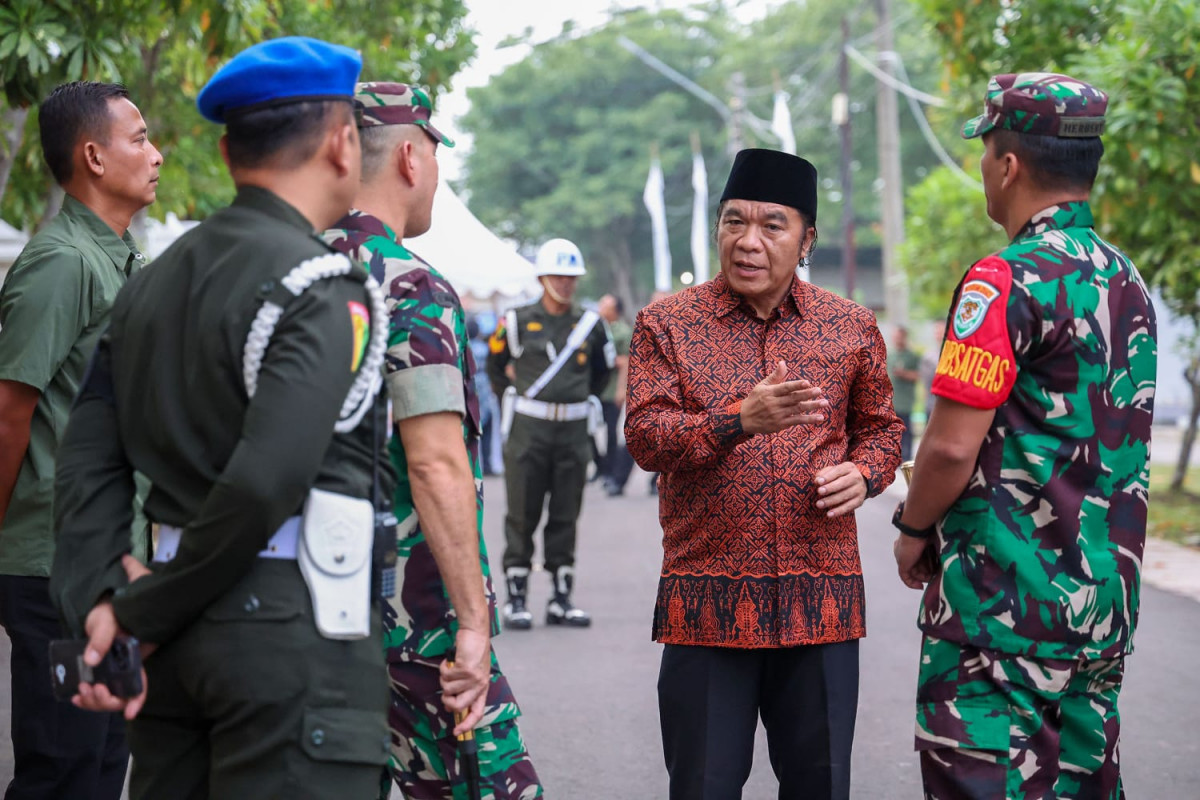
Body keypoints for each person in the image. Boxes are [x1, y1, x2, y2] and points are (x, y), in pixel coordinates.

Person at [48, 37, 396, 799]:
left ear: (227, 148)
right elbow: (265, 481)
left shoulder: (151, 281)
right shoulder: (321, 284)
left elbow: (87, 463)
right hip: (289, 640)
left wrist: (107, 599)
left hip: (176, 645)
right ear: (342, 143)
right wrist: (138, 610)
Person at [892, 74, 1156, 800]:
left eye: (985, 155)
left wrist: (913, 527)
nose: (983, 169)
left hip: (1002, 610)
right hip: (1100, 608)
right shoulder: (1126, 281)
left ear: (1007, 165)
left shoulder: (1003, 281)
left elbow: (949, 447)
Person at [625, 148, 903, 800]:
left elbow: (884, 430)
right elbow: (645, 438)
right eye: (733, 222)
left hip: (823, 609)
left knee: (821, 788)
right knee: (703, 788)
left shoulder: (851, 328)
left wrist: (865, 474)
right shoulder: (666, 324)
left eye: (771, 226)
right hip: (706, 607)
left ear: (806, 239)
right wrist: (737, 422)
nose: (748, 241)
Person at [321, 81, 541, 800]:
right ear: (412, 158)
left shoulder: (288, 266)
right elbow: (436, 460)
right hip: (415, 621)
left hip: (306, 609)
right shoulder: (407, 283)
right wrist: (473, 622)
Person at [0, 80, 161, 800]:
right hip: (51, 564)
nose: (155, 155)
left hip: (109, 559)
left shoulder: (122, 260)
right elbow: (9, 408)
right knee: (60, 767)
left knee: (102, 763)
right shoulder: (62, 262)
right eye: (140, 138)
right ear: (93, 156)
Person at [487, 239, 614, 629]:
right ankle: (517, 599)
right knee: (521, 513)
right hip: (529, 430)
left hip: (573, 430)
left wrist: (577, 402)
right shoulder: (515, 320)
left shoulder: (592, 324)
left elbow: (601, 373)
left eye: (571, 276)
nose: (565, 282)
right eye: (557, 275)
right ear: (541, 277)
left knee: (565, 514)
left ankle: (561, 599)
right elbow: (495, 367)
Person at [596, 293, 634, 496]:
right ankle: (605, 472)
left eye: (605, 304)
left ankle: (614, 477)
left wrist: (622, 390)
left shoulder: (623, 332)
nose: (600, 307)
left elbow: (627, 361)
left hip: (613, 391)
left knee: (617, 435)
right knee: (596, 433)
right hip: (598, 391)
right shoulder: (597, 329)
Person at [888, 324, 921, 460]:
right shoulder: (889, 355)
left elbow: (918, 375)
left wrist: (904, 374)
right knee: (891, 431)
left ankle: (906, 458)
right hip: (891, 401)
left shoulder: (912, 356)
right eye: (895, 336)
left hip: (906, 401)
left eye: (899, 336)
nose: (897, 339)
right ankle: (893, 457)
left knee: (906, 430)